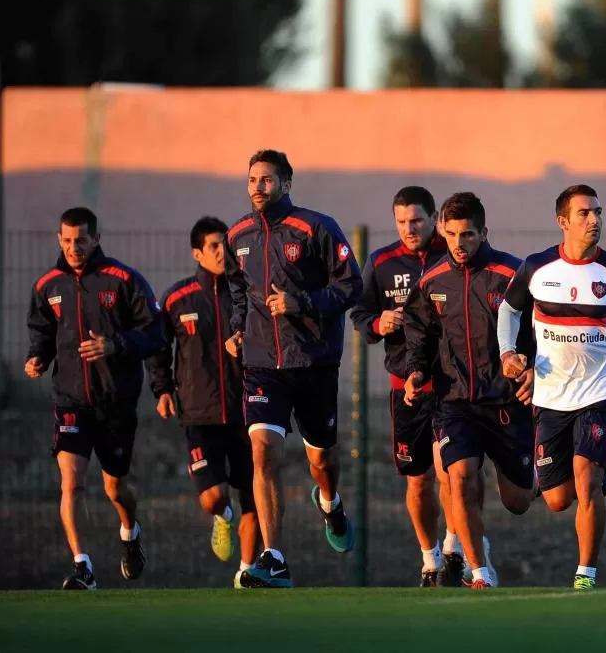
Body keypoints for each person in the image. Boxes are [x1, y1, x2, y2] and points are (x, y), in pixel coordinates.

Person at [497, 184, 606, 590]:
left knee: (586, 476)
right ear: (563, 222)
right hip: (552, 395)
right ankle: (595, 480)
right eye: (585, 213)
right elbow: (508, 310)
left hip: (603, 390)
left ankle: (585, 574)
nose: (595, 220)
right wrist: (507, 353)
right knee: (556, 499)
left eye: (598, 212)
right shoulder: (537, 268)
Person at [223, 149, 363, 587]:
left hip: (314, 362)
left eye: (266, 180)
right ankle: (275, 556)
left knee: (322, 462)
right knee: (262, 454)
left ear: (286, 184)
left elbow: (351, 286)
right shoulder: (238, 235)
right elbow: (239, 291)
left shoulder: (317, 227)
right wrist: (237, 328)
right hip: (263, 365)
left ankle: (330, 501)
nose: (258, 187)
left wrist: (301, 302)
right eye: (251, 180)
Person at [350, 186, 485, 587]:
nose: (410, 229)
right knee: (419, 479)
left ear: (435, 221)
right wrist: (378, 323)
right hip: (405, 388)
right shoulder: (382, 262)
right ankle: (429, 559)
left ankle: (454, 547)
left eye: (418, 221)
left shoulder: (455, 254)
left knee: (453, 474)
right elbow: (359, 311)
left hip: (451, 387)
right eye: (402, 222)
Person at [403, 192, 536, 590]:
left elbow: (541, 330)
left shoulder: (512, 275)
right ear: (442, 232)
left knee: (518, 502)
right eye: (451, 235)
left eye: (468, 235)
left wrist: (532, 368)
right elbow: (421, 336)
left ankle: (549, 475)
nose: (459, 244)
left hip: (506, 401)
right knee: (459, 476)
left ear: (484, 232)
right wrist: (414, 372)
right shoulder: (431, 281)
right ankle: (480, 571)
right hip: (454, 402)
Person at [26, 207, 165, 589]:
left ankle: (129, 531)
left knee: (115, 488)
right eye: (67, 240)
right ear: (59, 239)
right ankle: (82, 565)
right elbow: (41, 331)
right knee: (71, 482)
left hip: (116, 401)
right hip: (70, 401)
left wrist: (115, 345)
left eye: (81, 240)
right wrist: (38, 357)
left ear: (97, 239)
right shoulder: (47, 286)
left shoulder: (123, 280)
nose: (74, 247)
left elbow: (155, 334)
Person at [147, 217, 259, 588]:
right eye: (213, 246)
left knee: (253, 497)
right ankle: (221, 516)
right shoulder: (178, 299)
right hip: (199, 414)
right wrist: (162, 389)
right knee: (213, 497)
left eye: (224, 244)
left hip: (247, 409)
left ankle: (246, 572)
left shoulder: (247, 293)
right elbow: (158, 348)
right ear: (197, 253)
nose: (221, 251)